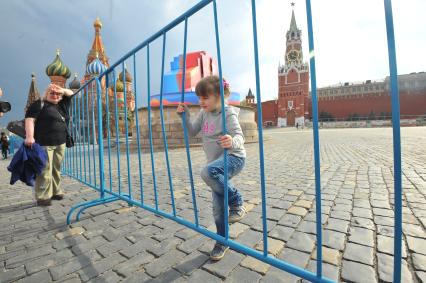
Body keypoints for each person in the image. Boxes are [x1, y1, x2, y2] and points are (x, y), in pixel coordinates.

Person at [177, 75, 246, 260]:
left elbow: (240, 137)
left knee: (206, 172)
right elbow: (191, 132)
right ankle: (222, 241)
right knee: (217, 208)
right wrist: (185, 116)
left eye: (205, 97)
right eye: (199, 97)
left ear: (220, 96)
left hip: (234, 158)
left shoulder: (228, 112)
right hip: (215, 167)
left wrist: (232, 141)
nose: (201, 101)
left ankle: (237, 200)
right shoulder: (203, 113)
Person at [25, 84, 74, 206]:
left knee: (56, 169)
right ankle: (42, 196)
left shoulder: (62, 105)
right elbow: (29, 120)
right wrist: (30, 137)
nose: (55, 95)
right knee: (44, 170)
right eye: (52, 93)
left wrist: (61, 89)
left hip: (60, 142)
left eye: (58, 94)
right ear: (46, 94)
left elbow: (71, 93)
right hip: (44, 143)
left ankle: (56, 191)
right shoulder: (39, 104)